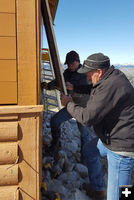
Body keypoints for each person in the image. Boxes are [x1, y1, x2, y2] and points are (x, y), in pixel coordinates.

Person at [61, 52, 134, 200]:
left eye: (89, 73)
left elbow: (86, 118)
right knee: (89, 150)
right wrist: (74, 88)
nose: (87, 77)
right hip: (109, 138)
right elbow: (91, 90)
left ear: (99, 72)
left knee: (119, 195)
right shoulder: (109, 78)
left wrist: (68, 103)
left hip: (122, 147)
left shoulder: (111, 85)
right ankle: (98, 189)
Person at [42, 50, 93, 159]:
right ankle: (55, 146)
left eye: (71, 63)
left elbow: (87, 91)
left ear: (77, 61)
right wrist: (47, 86)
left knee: (84, 134)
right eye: (68, 64)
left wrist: (73, 89)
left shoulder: (85, 73)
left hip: (83, 109)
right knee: (55, 121)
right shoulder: (68, 72)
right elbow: (59, 81)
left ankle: (86, 157)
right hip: (71, 106)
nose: (69, 66)